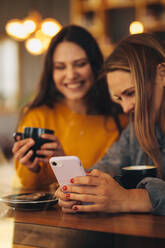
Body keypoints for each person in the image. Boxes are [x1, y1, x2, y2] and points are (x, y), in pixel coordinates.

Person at [55, 32, 165, 216]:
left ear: (162, 74)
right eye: (119, 98)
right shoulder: (135, 130)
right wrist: (79, 190)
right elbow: (108, 165)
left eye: (130, 93)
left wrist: (130, 199)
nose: (125, 108)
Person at [12, 25, 127, 189]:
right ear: (51, 72)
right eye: (60, 67)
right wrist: (31, 167)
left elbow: (116, 184)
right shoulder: (37, 116)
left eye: (80, 64)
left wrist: (64, 164)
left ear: (95, 65)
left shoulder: (121, 118)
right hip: (45, 214)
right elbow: (27, 187)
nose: (71, 75)